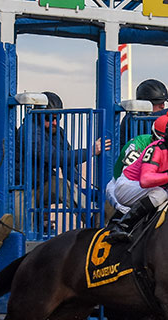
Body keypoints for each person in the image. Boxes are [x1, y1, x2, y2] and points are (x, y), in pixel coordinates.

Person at [16, 91, 113, 234]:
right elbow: (53, 157)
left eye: (58, 117)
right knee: (22, 231)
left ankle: (96, 223)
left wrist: (77, 188)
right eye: (50, 119)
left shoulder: (58, 132)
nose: (55, 122)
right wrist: (91, 151)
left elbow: (67, 164)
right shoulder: (28, 130)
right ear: (38, 116)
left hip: (42, 184)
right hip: (22, 188)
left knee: (65, 186)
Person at [107, 114, 168, 241]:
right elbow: (145, 180)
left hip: (149, 190)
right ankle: (122, 226)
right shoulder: (156, 149)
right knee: (160, 194)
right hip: (127, 186)